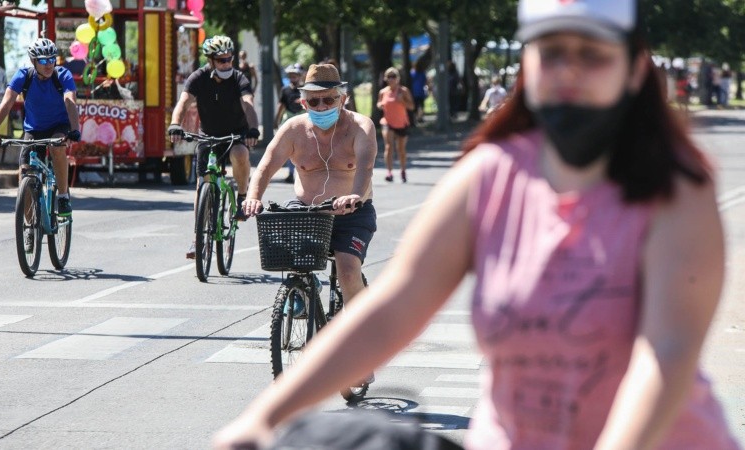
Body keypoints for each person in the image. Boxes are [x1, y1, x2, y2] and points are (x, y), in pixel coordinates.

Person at [214, 1, 742, 449]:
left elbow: (666, 354)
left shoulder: (676, 190)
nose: (569, 72)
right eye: (550, 52)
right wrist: (262, 418)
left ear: (633, 69)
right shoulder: (488, 176)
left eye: (592, 54)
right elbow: (395, 307)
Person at [241, 63, 377, 364]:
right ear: (303, 102)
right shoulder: (294, 129)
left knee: (347, 269)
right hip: (308, 209)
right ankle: (302, 289)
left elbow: (365, 165)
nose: (321, 106)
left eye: (329, 99)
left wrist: (354, 194)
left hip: (352, 212)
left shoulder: (361, 126)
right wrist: (253, 197)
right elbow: (266, 165)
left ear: (343, 99)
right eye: (313, 101)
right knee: (288, 252)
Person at [168, 35, 260, 259]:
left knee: (240, 153)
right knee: (203, 185)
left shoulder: (239, 78)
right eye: (221, 60)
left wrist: (253, 129)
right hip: (208, 136)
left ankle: (241, 196)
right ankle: (197, 238)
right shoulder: (198, 78)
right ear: (210, 60)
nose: (227, 64)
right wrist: (174, 125)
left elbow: (248, 104)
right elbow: (183, 102)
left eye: (229, 59)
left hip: (235, 134)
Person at [0, 37, 81, 225]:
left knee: (58, 146)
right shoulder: (23, 76)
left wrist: (74, 130)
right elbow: (6, 105)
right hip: (34, 129)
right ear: (33, 60)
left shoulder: (63, 76)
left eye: (52, 59)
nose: (49, 64)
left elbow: (70, 102)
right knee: (24, 174)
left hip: (59, 125)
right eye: (43, 60)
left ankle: (63, 197)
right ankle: (29, 227)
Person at [376, 67, 414, 183]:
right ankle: (389, 172)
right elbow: (379, 103)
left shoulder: (403, 91)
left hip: (401, 123)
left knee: (401, 149)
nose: (391, 79)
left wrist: (402, 101)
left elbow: (412, 106)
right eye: (389, 77)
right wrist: (380, 105)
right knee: (389, 146)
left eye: (394, 76)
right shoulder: (383, 92)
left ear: (398, 78)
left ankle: (402, 170)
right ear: (386, 79)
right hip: (387, 122)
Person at [274, 63, 305, 184]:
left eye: (295, 75)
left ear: (300, 76)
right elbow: (281, 105)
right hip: (288, 119)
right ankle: (291, 173)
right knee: (289, 148)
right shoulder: (285, 90)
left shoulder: (305, 90)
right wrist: (276, 120)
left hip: (302, 119)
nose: (293, 78)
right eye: (291, 75)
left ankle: (302, 173)